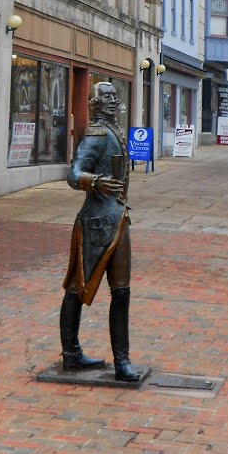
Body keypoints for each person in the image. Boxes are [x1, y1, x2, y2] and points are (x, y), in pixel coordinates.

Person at [59, 81, 141, 383]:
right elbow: (73, 174)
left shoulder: (113, 133)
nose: (113, 100)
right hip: (95, 223)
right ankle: (71, 353)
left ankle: (122, 361)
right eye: (105, 96)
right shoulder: (95, 135)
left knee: (122, 291)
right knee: (77, 288)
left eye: (114, 96)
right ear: (93, 103)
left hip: (118, 220)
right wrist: (95, 182)